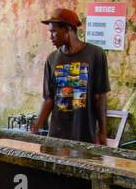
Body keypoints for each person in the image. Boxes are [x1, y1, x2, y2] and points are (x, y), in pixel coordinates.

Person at [32, 8, 110, 144]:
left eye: (54, 31)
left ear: (68, 29)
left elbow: (99, 97)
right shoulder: (52, 59)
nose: (51, 37)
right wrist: (37, 126)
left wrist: (102, 132)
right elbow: (49, 99)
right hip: (57, 134)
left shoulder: (96, 55)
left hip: (85, 134)